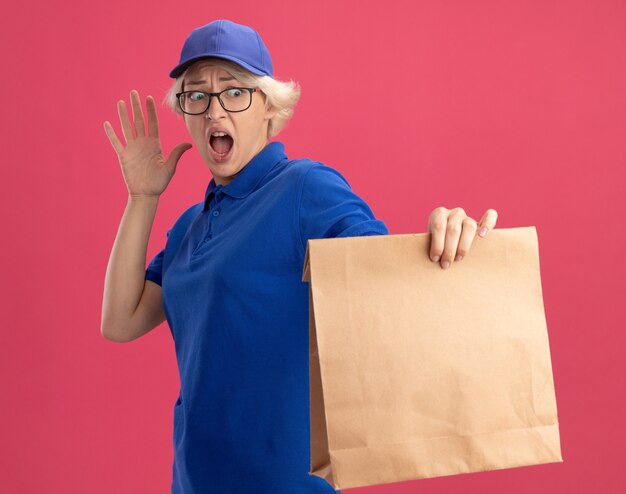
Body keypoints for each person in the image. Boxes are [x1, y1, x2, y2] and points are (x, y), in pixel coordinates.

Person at [101, 19, 498, 494]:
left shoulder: (304, 188)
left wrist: (448, 230)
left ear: (269, 106)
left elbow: (386, 279)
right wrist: (143, 198)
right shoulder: (190, 226)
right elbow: (120, 321)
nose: (213, 111)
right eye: (196, 96)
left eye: (234, 92)